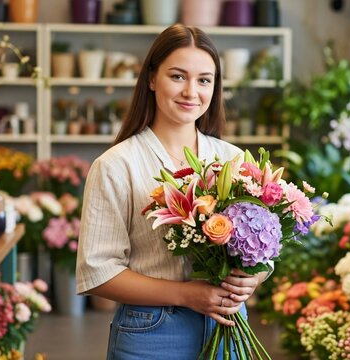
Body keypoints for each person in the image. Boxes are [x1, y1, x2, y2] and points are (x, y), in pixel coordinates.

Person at [76, 24, 269, 359]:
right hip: (152, 332)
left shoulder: (233, 159)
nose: (191, 91)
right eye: (177, 76)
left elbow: (264, 249)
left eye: (204, 80)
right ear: (152, 79)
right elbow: (97, 273)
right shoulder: (116, 165)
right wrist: (185, 294)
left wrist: (253, 278)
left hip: (227, 327)